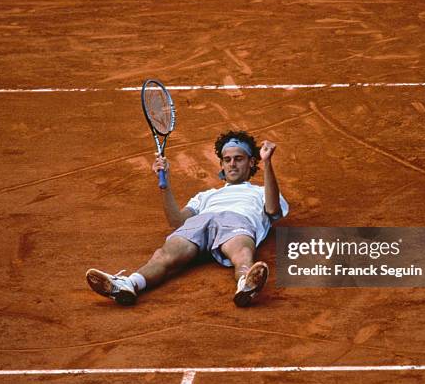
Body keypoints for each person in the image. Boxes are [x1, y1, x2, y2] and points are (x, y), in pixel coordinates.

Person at [86, 130, 289, 307]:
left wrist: (268, 162)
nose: (232, 164)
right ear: (222, 165)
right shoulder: (205, 196)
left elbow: (272, 209)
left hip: (237, 220)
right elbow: (177, 221)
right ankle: (129, 284)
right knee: (164, 254)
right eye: (227, 160)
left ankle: (246, 282)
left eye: (239, 158)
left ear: (252, 162)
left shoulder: (261, 191)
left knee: (242, 252)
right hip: (201, 221)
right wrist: (164, 185)